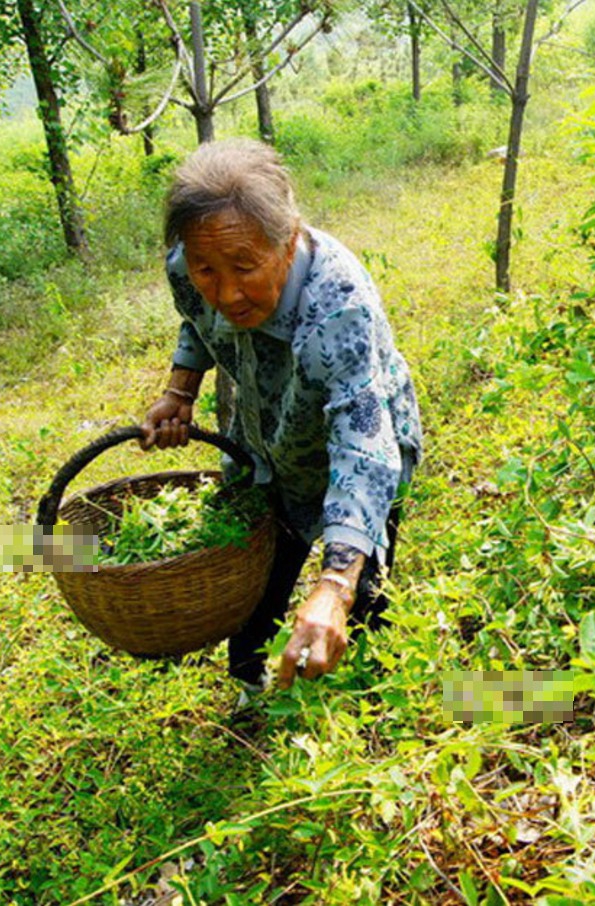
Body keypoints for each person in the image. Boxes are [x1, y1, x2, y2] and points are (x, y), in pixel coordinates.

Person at [138, 138, 421, 691]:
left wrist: (334, 585)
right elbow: (199, 320)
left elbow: (363, 447)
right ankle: (252, 688)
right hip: (264, 439)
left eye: (245, 267)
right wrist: (181, 389)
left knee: (362, 590)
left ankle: (355, 692)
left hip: (358, 445)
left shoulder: (338, 308)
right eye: (207, 271)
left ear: (289, 243)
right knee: (256, 580)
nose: (227, 293)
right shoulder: (186, 268)